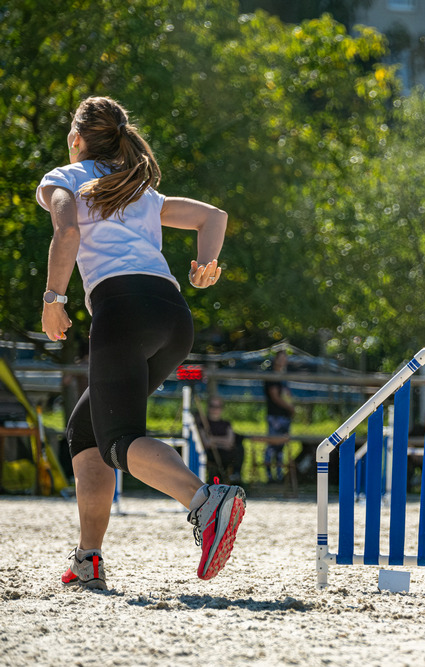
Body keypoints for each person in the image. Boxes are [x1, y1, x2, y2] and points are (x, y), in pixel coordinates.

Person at [37, 96, 244, 590]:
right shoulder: (140, 190)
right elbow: (213, 216)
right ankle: (89, 558)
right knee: (87, 432)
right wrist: (205, 263)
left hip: (123, 311)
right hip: (173, 319)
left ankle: (205, 501)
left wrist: (53, 298)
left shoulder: (65, 177)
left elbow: (66, 232)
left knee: (118, 441)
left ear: (77, 139)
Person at [263, 349, 294, 483]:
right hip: (275, 415)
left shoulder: (283, 377)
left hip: (284, 416)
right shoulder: (271, 376)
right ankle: (269, 475)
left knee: (281, 446)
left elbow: (286, 395)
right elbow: (275, 397)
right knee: (272, 445)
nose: (282, 361)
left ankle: (279, 475)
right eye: (280, 358)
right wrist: (290, 407)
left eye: (284, 358)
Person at [198, 396, 245, 484]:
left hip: (226, 454)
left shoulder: (226, 424)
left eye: (218, 406)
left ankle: (236, 474)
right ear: (208, 408)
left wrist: (213, 440)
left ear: (221, 408)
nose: (215, 409)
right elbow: (206, 443)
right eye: (212, 406)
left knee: (239, 447)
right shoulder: (203, 424)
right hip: (210, 454)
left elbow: (230, 442)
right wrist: (222, 441)